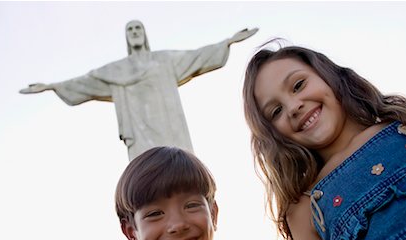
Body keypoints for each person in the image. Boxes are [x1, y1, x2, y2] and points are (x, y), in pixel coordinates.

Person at [242, 40, 406, 240]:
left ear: (329, 76)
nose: (294, 108)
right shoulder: (305, 205)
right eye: (276, 111)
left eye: (298, 85)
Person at [20, 20, 258, 160]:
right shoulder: (117, 70)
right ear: (127, 37)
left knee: (179, 165)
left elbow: (196, 56)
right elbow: (86, 82)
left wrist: (228, 42)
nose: (134, 32)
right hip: (141, 136)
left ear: (144, 35)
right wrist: (52, 86)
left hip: (171, 128)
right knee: (149, 174)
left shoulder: (164, 60)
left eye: (138, 29)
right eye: (130, 30)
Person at [115, 146, 281, 240]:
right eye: (155, 213)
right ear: (131, 233)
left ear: (213, 214)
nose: (178, 225)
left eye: (191, 205)